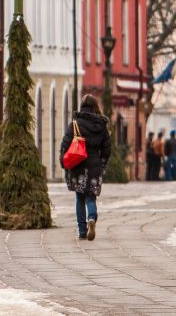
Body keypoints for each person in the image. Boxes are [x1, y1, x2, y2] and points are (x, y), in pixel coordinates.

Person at [59, 95, 111, 241]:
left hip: (77, 166)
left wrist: (63, 162)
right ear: (95, 107)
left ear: (82, 106)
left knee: (79, 198)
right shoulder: (102, 126)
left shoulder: (75, 124)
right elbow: (107, 149)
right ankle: (92, 219)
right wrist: (102, 163)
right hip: (94, 167)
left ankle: (82, 231)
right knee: (91, 197)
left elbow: (65, 145)